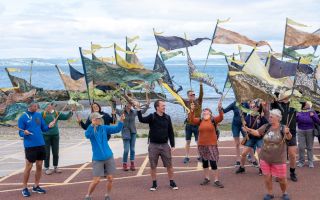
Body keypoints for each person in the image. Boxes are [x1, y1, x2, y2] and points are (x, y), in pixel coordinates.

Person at [243, 109, 292, 200]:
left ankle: (284, 193)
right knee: (267, 177)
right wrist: (248, 129)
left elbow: (289, 137)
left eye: (271, 116)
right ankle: (270, 193)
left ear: (277, 118)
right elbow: (257, 132)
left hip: (279, 159)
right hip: (265, 157)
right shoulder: (266, 126)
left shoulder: (283, 128)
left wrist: (288, 132)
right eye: (269, 116)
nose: (269, 118)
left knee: (282, 178)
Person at [137, 99, 178, 191]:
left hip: (164, 145)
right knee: (153, 166)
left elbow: (170, 131)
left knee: (169, 165)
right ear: (157, 107)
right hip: (153, 145)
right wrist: (139, 110)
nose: (164, 107)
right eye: (163, 105)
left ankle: (172, 182)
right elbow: (141, 120)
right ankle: (154, 183)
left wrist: (173, 144)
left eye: (164, 105)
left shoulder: (167, 117)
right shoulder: (152, 117)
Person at [18, 102, 55, 197]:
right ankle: (24, 188)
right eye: (35, 106)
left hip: (41, 144)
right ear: (29, 106)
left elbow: (44, 128)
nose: (37, 107)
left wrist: (50, 126)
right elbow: (20, 133)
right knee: (29, 167)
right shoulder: (22, 117)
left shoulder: (38, 115)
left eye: (37, 106)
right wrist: (24, 133)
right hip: (30, 146)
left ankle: (36, 185)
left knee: (39, 166)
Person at [84, 112, 124, 200]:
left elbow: (117, 129)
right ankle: (88, 195)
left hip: (109, 156)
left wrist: (121, 121)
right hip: (98, 158)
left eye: (100, 118)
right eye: (97, 118)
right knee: (96, 180)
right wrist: (91, 125)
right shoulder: (91, 130)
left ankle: (107, 195)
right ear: (93, 120)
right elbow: (86, 135)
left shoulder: (104, 127)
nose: (100, 119)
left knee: (110, 178)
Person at [188, 100, 224, 188]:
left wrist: (220, 108)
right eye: (204, 111)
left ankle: (216, 180)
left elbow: (221, 117)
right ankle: (206, 178)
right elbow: (191, 120)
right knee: (204, 162)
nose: (205, 111)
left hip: (211, 145)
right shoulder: (200, 121)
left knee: (213, 163)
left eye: (206, 110)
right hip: (202, 145)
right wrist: (192, 110)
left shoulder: (213, 120)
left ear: (210, 113)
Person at [271, 91, 298, 182]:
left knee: (292, 155)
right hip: (280, 132)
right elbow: (273, 95)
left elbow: (305, 103)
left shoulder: (294, 104)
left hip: (292, 132)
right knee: (280, 155)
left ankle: (292, 172)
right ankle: (278, 174)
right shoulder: (277, 104)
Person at [115, 101, 150, 171]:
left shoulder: (134, 112)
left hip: (133, 132)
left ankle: (132, 163)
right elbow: (114, 108)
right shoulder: (121, 111)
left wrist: (147, 105)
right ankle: (124, 163)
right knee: (126, 150)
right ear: (125, 103)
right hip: (125, 132)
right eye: (128, 103)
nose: (129, 104)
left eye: (130, 103)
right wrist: (113, 101)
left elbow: (142, 112)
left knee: (132, 149)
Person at [236, 100, 268, 175]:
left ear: (257, 108)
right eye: (250, 107)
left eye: (253, 107)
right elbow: (244, 127)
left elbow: (267, 125)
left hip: (259, 138)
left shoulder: (261, 117)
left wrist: (262, 132)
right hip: (251, 138)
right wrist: (243, 127)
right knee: (243, 154)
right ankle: (242, 167)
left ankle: (261, 169)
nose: (251, 108)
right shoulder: (247, 117)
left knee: (260, 154)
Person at [42, 102, 73, 175]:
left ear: (52, 106)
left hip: (55, 135)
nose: (47, 107)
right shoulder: (42, 114)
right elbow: (37, 123)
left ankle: (55, 167)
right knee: (46, 152)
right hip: (45, 135)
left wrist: (71, 112)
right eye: (46, 106)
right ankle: (46, 167)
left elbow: (66, 117)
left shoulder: (56, 113)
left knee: (55, 152)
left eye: (49, 105)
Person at [222, 101, 249, 166]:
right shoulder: (234, 103)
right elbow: (224, 111)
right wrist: (220, 107)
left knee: (248, 142)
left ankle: (252, 158)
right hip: (235, 125)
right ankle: (238, 160)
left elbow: (251, 112)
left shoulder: (246, 104)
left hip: (244, 125)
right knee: (237, 144)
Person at [182, 82, 203, 163]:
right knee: (188, 141)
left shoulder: (198, 101)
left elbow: (201, 94)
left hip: (197, 125)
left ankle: (199, 156)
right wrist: (174, 91)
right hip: (189, 125)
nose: (193, 96)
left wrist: (201, 85)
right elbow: (178, 98)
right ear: (188, 96)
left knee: (198, 142)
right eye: (191, 95)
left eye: (194, 94)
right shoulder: (186, 103)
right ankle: (187, 156)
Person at [296, 101, 320, 168]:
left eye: (308, 104)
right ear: (304, 106)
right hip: (301, 130)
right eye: (306, 104)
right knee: (301, 147)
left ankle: (310, 162)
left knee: (309, 147)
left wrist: (313, 116)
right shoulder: (299, 111)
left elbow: (318, 121)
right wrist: (296, 117)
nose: (308, 105)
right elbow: (295, 120)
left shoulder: (312, 111)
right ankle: (301, 162)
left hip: (310, 130)